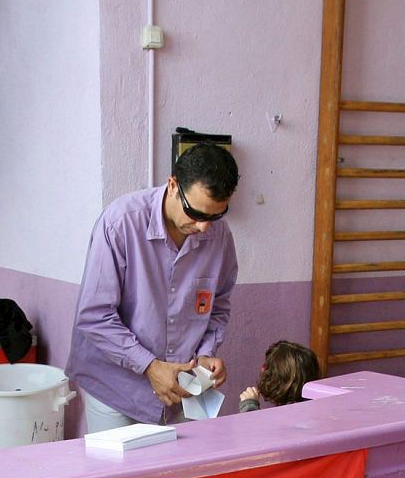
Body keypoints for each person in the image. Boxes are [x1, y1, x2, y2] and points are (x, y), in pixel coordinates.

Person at [67, 143, 239, 432]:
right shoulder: (120, 223)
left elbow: (218, 306)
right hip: (117, 388)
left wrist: (206, 354)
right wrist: (150, 366)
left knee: (180, 475)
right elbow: (94, 315)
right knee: (120, 477)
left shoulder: (219, 236)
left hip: (184, 390)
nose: (203, 228)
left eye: (215, 216)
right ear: (173, 185)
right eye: (195, 213)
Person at [239, 340, 321, 411]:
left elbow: (254, 427)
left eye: (268, 367)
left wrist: (249, 407)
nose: (262, 369)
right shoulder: (312, 408)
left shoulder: (288, 417)